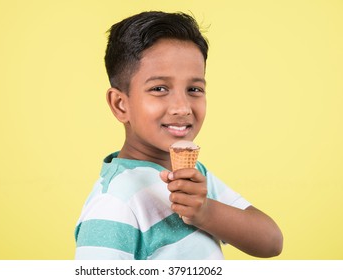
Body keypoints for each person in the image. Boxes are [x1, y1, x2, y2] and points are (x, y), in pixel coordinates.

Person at [74, 11, 283, 260]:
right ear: (121, 104)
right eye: (159, 88)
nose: (182, 108)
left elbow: (271, 242)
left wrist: (205, 212)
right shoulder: (115, 202)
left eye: (194, 89)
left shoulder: (197, 178)